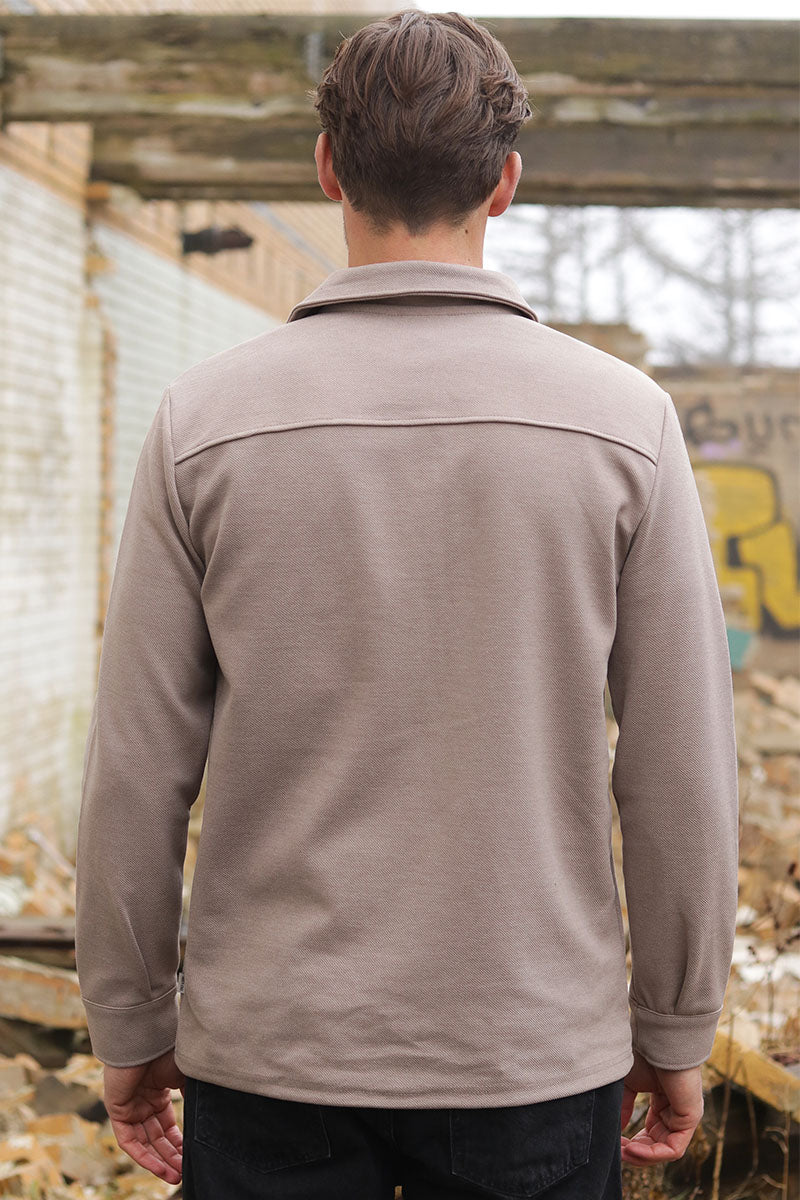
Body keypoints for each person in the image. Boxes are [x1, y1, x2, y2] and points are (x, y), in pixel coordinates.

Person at [74, 9, 740, 1199]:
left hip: (271, 1053)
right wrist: (674, 1022)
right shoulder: (624, 426)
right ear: (504, 183)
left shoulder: (202, 425)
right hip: (530, 1054)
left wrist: (129, 1022)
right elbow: (678, 766)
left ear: (327, 169)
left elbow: (136, 766)